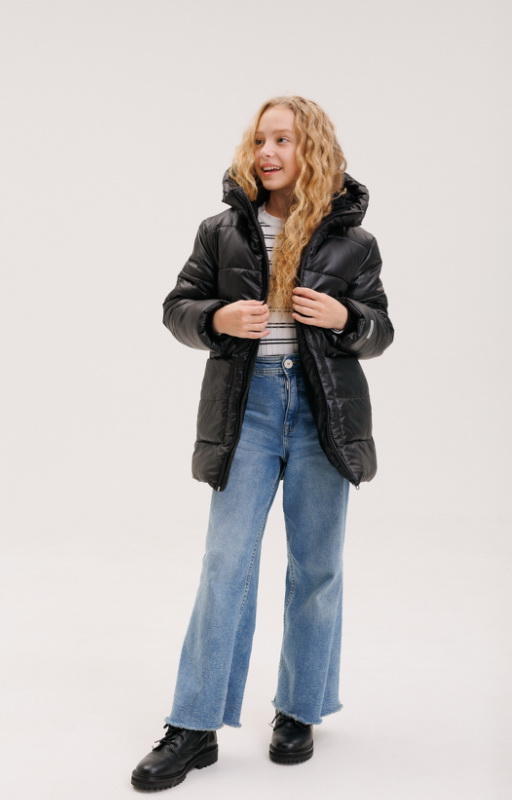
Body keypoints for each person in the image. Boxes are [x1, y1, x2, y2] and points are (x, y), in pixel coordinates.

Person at [131, 96, 394, 791]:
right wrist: (217, 318)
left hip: (321, 416)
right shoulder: (220, 231)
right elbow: (177, 308)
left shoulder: (355, 243)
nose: (267, 152)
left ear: (313, 149)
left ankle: (299, 709)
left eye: (282, 140)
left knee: (317, 567)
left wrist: (346, 318)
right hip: (245, 412)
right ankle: (194, 725)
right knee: (226, 563)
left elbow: (380, 330)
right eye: (258, 140)